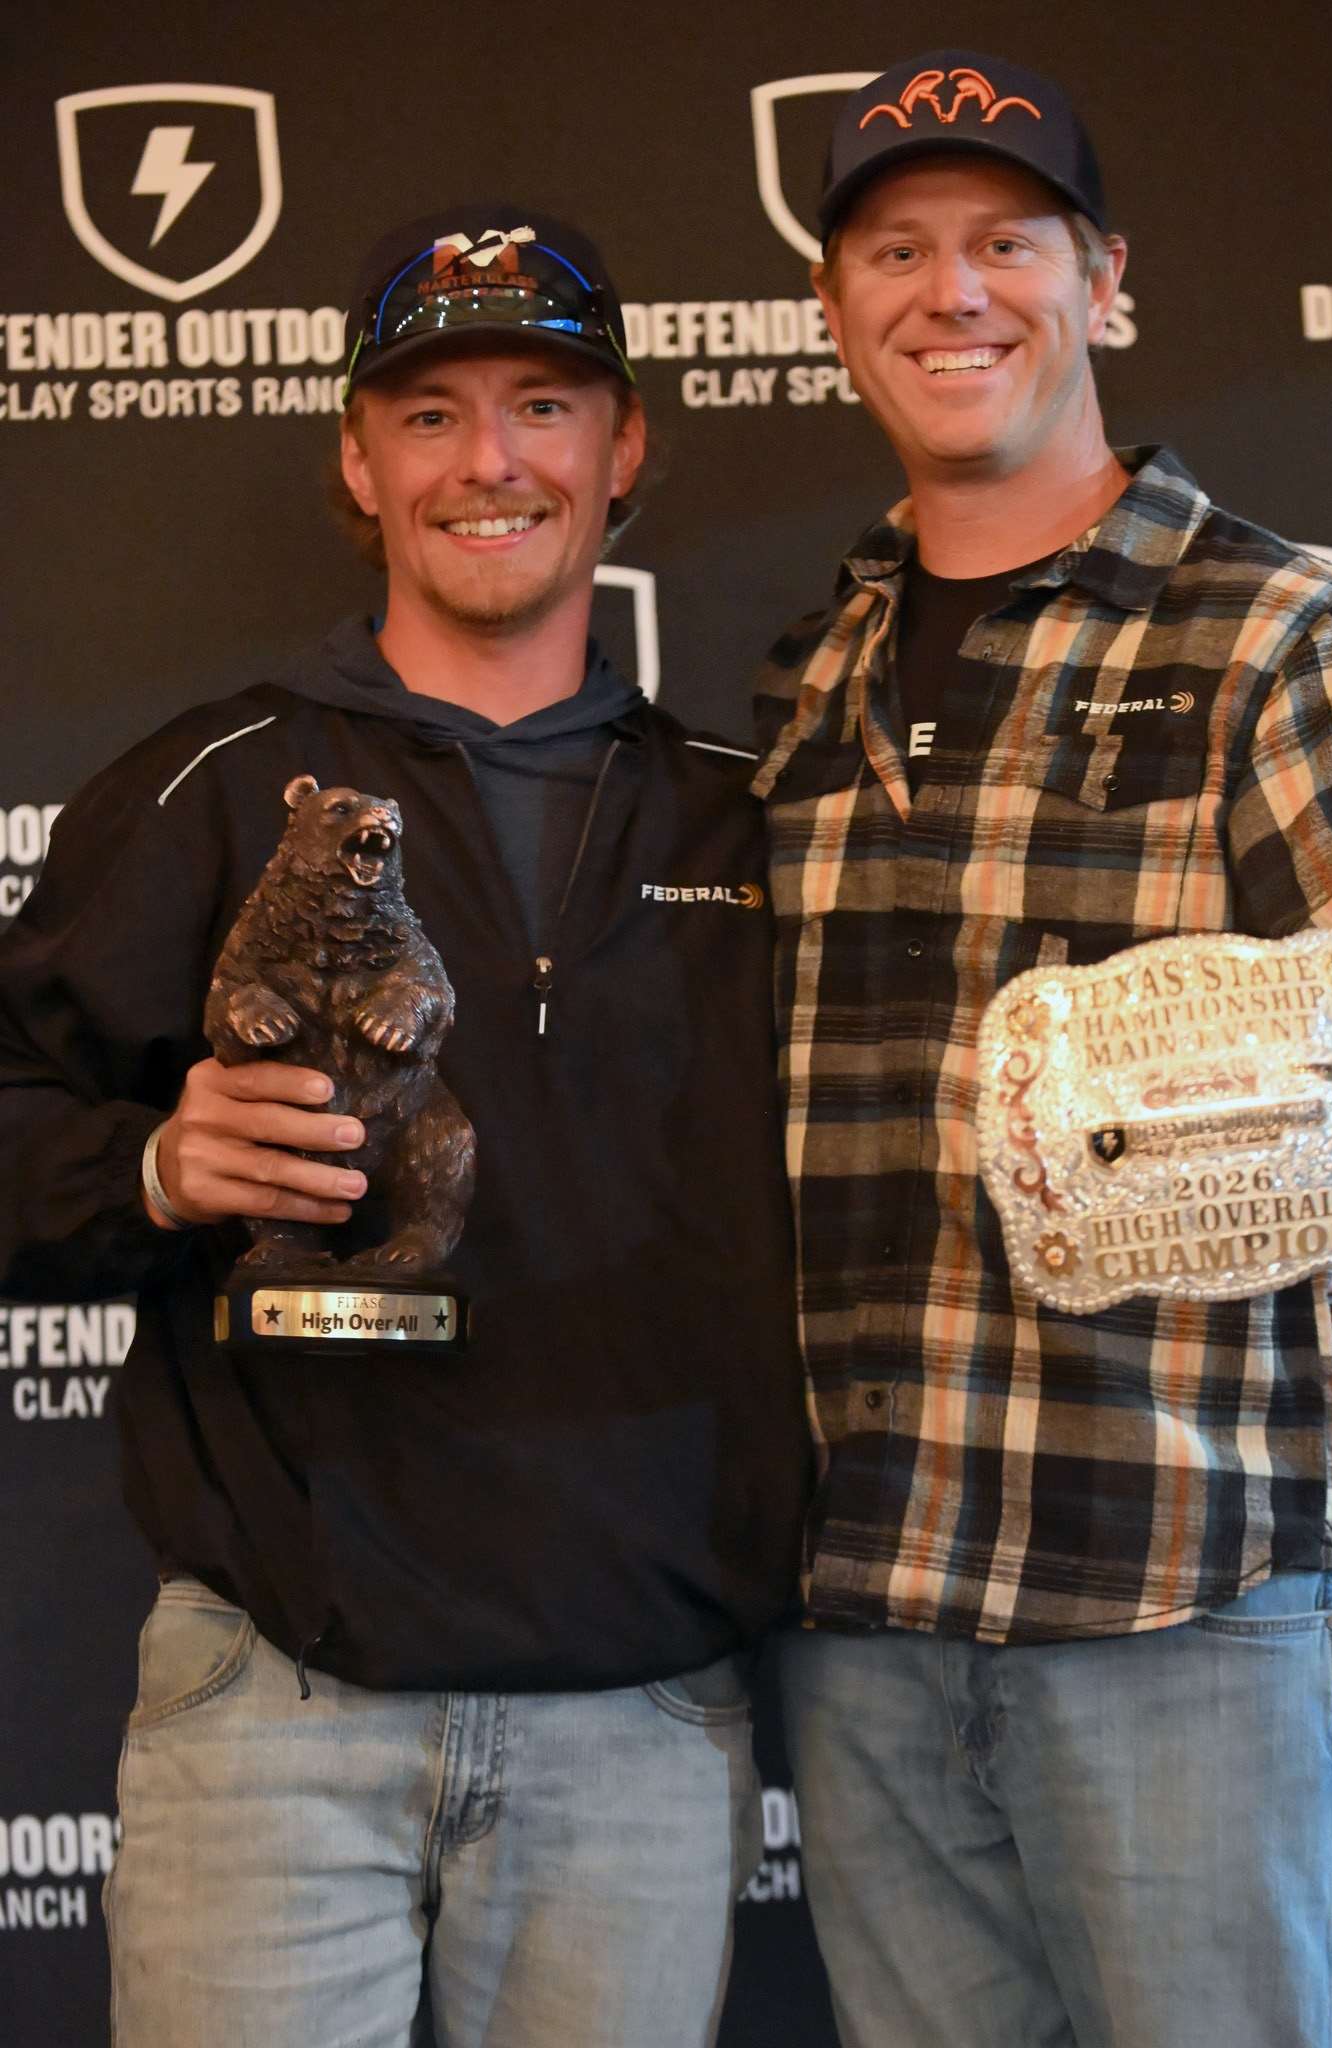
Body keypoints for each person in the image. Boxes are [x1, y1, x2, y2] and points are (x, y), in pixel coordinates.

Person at [753, 53, 1332, 2048]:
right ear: (836, 310)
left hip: (1183, 1593)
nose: (954, 291)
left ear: (1104, 285)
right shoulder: (809, 669)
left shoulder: (1271, 624)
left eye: (1009, 241)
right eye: (897, 249)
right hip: (865, 1612)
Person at [0, 204, 809, 2046]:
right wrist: (146, 1164)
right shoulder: (216, 785)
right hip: (278, 1700)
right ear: (357, 462)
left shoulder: (751, 819)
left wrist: (1275, 1232)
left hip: (642, 1713)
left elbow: (932, 1161)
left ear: (628, 450)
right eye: (431, 414)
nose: (492, 461)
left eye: (544, 401)